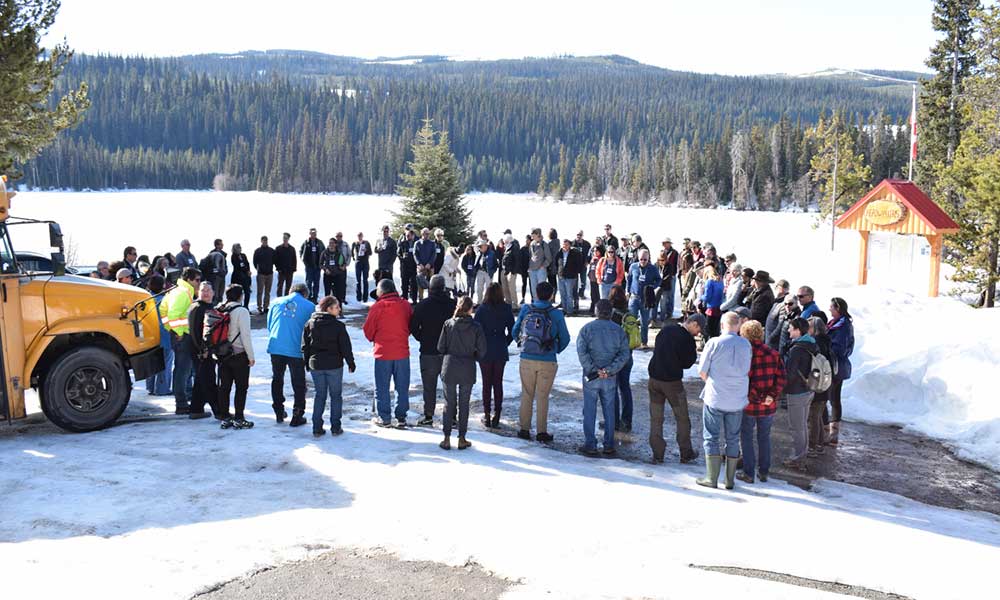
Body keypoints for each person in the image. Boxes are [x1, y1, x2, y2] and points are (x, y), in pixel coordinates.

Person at [696, 312, 753, 490]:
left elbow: (702, 370)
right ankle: (729, 480)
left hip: (716, 396)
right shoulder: (746, 344)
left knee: (711, 437)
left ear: (722, 325)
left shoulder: (714, 343)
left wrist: (713, 381)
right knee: (733, 438)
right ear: (738, 325)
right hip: (737, 398)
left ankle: (711, 478)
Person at [512, 281, 570, 442]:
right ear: (551, 295)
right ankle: (541, 431)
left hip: (527, 357)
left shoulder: (526, 309)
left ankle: (524, 428)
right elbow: (565, 338)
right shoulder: (556, 313)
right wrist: (554, 349)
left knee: (527, 394)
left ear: (536, 294)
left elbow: (515, 330)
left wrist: (521, 343)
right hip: (547, 359)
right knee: (543, 396)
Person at [576, 299, 631, 457]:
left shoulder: (587, 329)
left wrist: (593, 369)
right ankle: (608, 444)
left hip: (591, 376)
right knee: (609, 411)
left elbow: (582, 351)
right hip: (609, 377)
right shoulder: (618, 330)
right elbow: (624, 354)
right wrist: (610, 370)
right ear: (611, 312)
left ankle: (590, 444)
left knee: (589, 409)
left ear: (596, 311)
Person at [648, 314, 703, 463]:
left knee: (656, 419)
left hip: (654, 379)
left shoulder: (666, 330)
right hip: (672, 383)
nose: (698, 334)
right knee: (682, 418)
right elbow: (687, 363)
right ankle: (686, 452)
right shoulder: (687, 340)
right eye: (699, 329)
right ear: (694, 324)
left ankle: (657, 454)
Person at [737, 320, 785, 484]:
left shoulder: (746, 354)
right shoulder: (773, 353)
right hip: (768, 404)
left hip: (749, 403)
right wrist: (771, 395)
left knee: (746, 437)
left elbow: (745, 380)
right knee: (764, 437)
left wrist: (756, 397)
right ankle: (764, 471)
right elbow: (781, 378)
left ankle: (749, 472)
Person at [436, 296, 487, 450]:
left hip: (449, 366)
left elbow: (440, 347)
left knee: (448, 403)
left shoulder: (448, 324)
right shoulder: (476, 327)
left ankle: (446, 437)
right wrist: (474, 356)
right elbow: (482, 350)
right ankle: (462, 437)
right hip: (467, 366)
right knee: (464, 403)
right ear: (470, 309)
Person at [302, 295, 356, 436]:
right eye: (336, 307)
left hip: (316, 364)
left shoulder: (310, 323)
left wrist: (306, 362)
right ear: (328, 309)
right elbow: (345, 347)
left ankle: (317, 427)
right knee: (336, 396)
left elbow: (305, 346)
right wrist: (350, 362)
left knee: (319, 395)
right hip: (334, 365)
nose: (339, 309)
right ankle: (336, 427)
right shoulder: (338, 326)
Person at [364, 278, 414, 427]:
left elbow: (368, 331)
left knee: (382, 387)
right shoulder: (405, 305)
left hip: (383, 353)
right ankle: (401, 417)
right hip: (402, 352)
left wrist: (376, 338)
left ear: (382, 291)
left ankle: (385, 417)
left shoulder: (377, 307)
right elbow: (411, 325)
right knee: (402, 386)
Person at [410, 275, 456, 426]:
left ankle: (429, 415)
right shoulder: (452, 304)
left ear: (430, 288)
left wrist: (422, 338)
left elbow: (413, 327)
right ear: (443, 288)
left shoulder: (423, 305)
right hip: (448, 352)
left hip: (428, 351)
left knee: (429, 387)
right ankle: (452, 416)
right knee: (449, 386)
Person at [266, 283, 315, 426]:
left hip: (276, 346)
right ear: (305, 294)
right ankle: (297, 413)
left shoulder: (276, 302)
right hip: (296, 348)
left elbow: (270, 324)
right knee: (298, 382)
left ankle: (278, 410)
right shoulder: (309, 306)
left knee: (277, 379)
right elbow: (309, 330)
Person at [210, 284, 254, 429]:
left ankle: (225, 416)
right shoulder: (241, 311)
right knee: (241, 387)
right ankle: (239, 417)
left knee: (225, 386)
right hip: (238, 354)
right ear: (240, 296)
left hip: (222, 353)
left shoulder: (220, 308)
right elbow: (245, 335)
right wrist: (251, 356)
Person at [159, 267, 201, 414]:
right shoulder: (183, 293)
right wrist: (178, 332)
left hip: (180, 335)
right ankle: (182, 404)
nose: (199, 283)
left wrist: (169, 328)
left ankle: (184, 398)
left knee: (183, 370)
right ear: (188, 279)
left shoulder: (177, 291)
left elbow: (163, 310)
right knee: (183, 371)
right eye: (197, 280)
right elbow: (173, 313)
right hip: (183, 337)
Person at [474, 282, 515, 428]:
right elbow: (513, 330)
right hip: (500, 347)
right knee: (498, 382)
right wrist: (506, 342)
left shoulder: (482, 309)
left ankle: (486, 413)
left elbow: (475, 331)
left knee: (486, 383)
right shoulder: (506, 308)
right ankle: (497, 414)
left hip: (485, 349)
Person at [783, 317, 817, 470]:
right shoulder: (812, 344)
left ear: (798, 330)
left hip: (796, 391)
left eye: (791, 328)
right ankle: (801, 454)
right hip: (809, 389)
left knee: (796, 426)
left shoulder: (797, 349)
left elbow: (790, 374)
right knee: (802, 425)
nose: (789, 330)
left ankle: (798, 457)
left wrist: (781, 389)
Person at [187, 281, 217, 419]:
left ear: (213, 292)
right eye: (202, 290)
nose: (205, 293)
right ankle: (220, 412)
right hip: (201, 351)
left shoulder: (210, 306)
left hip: (208, 350)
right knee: (209, 380)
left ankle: (196, 409)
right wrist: (202, 350)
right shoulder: (197, 307)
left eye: (208, 290)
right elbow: (194, 332)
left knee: (200, 380)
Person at [827, 297, 855, 446]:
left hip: (836, 366)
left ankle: (832, 433)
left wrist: (827, 346)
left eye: (831, 307)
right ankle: (830, 432)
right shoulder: (837, 324)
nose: (829, 309)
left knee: (833, 398)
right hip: (836, 365)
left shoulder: (843, 326)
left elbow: (840, 348)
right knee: (833, 398)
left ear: (838, 309)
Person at [608, 285, 636, 432]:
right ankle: (627, 421)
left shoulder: (611, 314)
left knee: (613, 389)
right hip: (628, 355)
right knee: (625, 388)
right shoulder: (629, 313)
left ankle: (614, 422)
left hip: (615, 357)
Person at [807, 316, 834, 456]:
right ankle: (819, 443)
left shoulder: (816, 344)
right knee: (817, 415)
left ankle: (813, 445)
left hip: (817, 385)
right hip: (826, 384)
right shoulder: (827, 342)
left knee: (814, 416)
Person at [145, 275, 173, 397]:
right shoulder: (164, 301)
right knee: (165, 362)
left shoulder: (145, 299)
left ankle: (150, 387)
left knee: (152, 362)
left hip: (149, 336)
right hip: (164, 335)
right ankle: (162, 388)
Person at [626, 249, 661, 348]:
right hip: (634, 297)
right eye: (641, 259)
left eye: (645, 259)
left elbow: (659, 280)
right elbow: (629, 279)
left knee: (644, 322)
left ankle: (644, 342)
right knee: (631, 320)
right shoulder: (633, 266)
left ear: (648, 258)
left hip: (645, 299)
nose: (643, 261)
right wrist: (627, 291)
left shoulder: (653, 268)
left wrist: (652, 287)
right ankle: (630, 340)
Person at [556, 239, 584, 316]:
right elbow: (556, 263)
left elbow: (579, 264)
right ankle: (564, 310)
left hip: (570, 277)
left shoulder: (574, 253)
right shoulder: (559, 253)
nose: (565, 246)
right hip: (561, 276)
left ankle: (569, 311)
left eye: (566, 244)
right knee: (562, 293)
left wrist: (575, 273)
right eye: (563, 244)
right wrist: (558, 272)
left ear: (570, 245)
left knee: (569, 294)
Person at [656, 237, 679, 324]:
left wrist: (672, 274)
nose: (665, 245)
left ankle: (669, 312)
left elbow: (676, 264)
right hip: (663, 275)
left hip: (671, 275)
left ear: (669, 244)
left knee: (671, 294)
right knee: (663, 297)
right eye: (664, 243)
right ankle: (664, 313)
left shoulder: (674, 253)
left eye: (666, 243)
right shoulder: (662, 252)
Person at [320, 237, 349, 304]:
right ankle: (326, 309)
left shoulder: (339, 253)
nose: (331, 244)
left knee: (338, 294)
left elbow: (343, 263)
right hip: (328, 275)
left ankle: (339, 310)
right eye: (330, 243)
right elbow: (320, 264)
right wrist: (325, 269)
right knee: (327, 293)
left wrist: (343, 267)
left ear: (335, 244)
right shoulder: (324, 253)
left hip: (337, 275)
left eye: (332, 243)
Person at [764, 279, 790, 348]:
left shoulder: (784, 303)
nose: (781, 289)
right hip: (768, 337)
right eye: (780, 287)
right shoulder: (776, 301)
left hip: (774, 342)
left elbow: (780, 324)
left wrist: (771, 337)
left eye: (784, 287)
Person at [252, 236, 275, 314]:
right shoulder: (257, 251)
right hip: (261, 274)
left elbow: (275, 260)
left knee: (267, 292)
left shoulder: (271, 251)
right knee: (260, 291)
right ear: (261, 241)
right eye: (263, 240)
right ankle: (259, 307)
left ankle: (266, 307)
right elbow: (255, 262)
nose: (265, 242)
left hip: (270, 273)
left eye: (266, 240)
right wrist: (259, 269)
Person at [700, 266, 724, 338]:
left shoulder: (709, 281)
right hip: (719, 308)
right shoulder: (720, 280)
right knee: (715, 330)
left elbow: (707, 297)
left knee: (708, 330)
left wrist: (701, 296)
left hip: (711, 308)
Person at [397, 227, 418, 303]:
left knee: (414, 283)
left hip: (413, 265)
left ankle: (414, 299)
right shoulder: (403, 243)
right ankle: (405, 299)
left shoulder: (416, 243)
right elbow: (398, 253)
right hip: (404, 266)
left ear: (413, 235)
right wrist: (402, 258)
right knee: (404, 283)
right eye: (407, 235)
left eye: (409, 235)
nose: (408, 237)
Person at [500, 232, 521, 310]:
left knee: (511, 288)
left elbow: (517, 260)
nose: (504, 242)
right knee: (505, 287)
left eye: (505, 240)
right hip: (505, 270)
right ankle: (508, 302)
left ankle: (515, 304)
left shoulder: (514, 247)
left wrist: (514, 271)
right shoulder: (506, 248)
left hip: (511, 271)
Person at [474, 240, 497, 305]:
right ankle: (479, 302)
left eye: (481, 246)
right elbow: (476, 263)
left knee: (489, 289)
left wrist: (492, 271)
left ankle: (488, 303)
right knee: (479, 288)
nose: (480, 247)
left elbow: (496, 264)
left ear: (485, 246)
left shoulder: (492, 253)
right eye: (479, 246)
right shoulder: (479, 253)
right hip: (480, 272)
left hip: (488, 273)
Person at [274, 233, 297, 297]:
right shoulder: (278, 248)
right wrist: (278, 268)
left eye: (286, 238)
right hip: (281, 271)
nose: (284, 239)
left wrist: (293, 269)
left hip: (289, 271)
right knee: (280, 286)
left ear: (288, 239)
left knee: (288, 287)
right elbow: (275, 260)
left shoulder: (292, 249)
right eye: (284, 238)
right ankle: (279, 300)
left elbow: (294, 260)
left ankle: (286, 300)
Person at [230, 243, 252, 310]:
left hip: (245, 276)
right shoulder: (233, 256)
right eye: (238, 248)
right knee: (238, 292)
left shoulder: (243, 255)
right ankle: (239, 307)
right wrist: (241, 262)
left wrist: (248, 270)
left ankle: (246, 306)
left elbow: (247, 263)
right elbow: (237, 265)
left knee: (247, 292)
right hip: (237, 277)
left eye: (240, 247)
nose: (239, 249)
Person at [352, 232, 372, 302]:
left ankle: (365, 297)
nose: (360, 237)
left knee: (365, 280)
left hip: (365, 262)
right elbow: (352, 252)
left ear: (362, 236)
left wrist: (366, 250)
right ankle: (358, 297)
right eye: (358, 236)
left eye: (361, 236)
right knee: (358, 281)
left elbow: (370, 252)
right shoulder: (355, 243)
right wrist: (354, 258)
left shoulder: (366, 243)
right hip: (358, 262)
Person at [572, 231, 591, 299]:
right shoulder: (572, 243)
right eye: (577, 235)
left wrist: (587, 262)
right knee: (575, 281)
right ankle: (575, 295)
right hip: (575, 266)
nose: (578, 236)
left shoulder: (587, 244)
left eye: (580, 235)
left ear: (582, 235)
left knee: (583, 281)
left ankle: (581, 293)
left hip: (583, 265)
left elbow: (589, 254)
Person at [586, 246, 604, 316]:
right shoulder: (593, 259)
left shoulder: (601, 259)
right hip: (592, 280)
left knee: (598, 296)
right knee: (593, 295)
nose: (595, 252)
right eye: (594, 251)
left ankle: (598, 311)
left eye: (596, 251)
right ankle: (593, 308)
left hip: (598, 281)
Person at [545, 228, 561, 296]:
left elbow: (548, 255)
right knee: (554, 282)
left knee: (551, 282)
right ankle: (553, 296)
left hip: (550, 265)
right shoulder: (558, 243)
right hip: (556, 265)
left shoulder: (549, 243)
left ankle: (552, 296)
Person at [518, 234, 532, 304]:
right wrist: (520, 270)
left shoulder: (532, 248)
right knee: (524, 284)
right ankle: (523, 298)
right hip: (524, 269)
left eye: (528, 239)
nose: (527, 241)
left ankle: (533, 298)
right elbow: (520, 259)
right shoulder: (523, 248)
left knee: (531, 284)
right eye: (526, 239)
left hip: (531, 269)